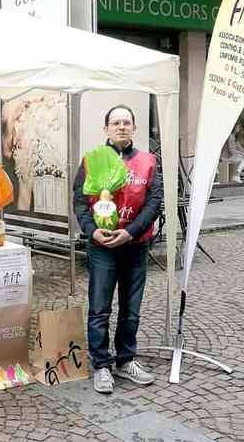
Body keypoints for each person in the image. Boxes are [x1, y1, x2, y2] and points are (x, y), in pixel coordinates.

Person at [72, 105, 162, 394]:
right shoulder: (92, 160)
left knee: (131, 310)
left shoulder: (148, 161)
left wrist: (130, 232)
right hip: (102, 247)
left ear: (134, 128)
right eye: (115, 122)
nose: (121, 127)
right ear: (106, 129)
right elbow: (80, 202)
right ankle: (101, 365)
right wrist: (92, 230)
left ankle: (126, 360)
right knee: (99, 309)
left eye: (126, 122)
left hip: (134, 245)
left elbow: (153, 202)